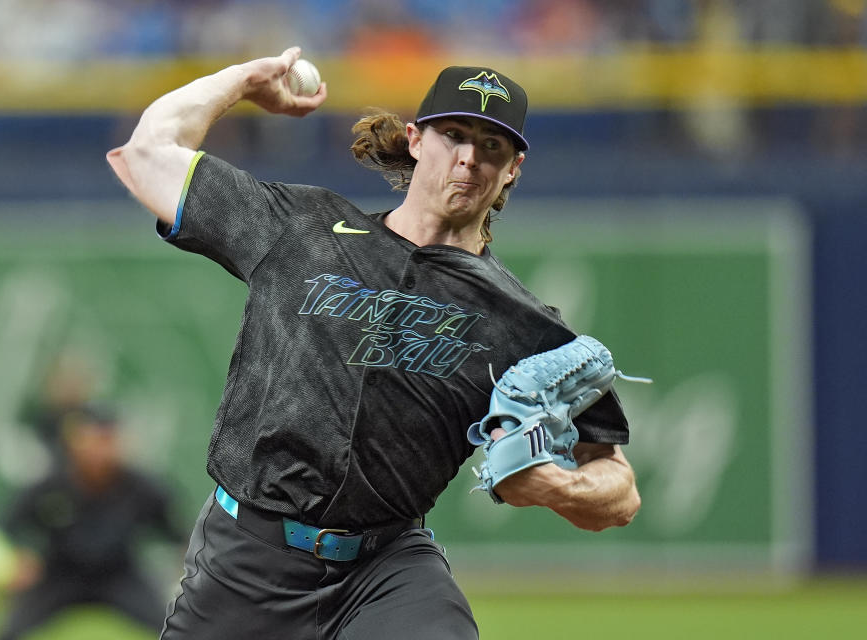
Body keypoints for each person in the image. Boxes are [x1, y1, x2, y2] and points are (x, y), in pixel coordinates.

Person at [106, 47, 641, 640]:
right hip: (243, 562)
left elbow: (617, 487)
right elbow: (147, 155)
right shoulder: (301, 228)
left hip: (384, 571)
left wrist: (556, 486)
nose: (468, 158)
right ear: (415, 140)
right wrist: (241, 81)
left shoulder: (521, 324)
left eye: (492, 146)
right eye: (453, 135)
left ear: (512, 168)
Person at [0, 404, 183, 640]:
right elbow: (0, 532)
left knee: (176, 627)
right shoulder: (49, 487)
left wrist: (185, 561)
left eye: (109, 439)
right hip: (58, 574)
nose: (102, 449)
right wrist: (14, 563)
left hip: (120, 574)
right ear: (75, 442)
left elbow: (180, 534)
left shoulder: (142, 487)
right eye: (95, 439)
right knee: (5, 633)